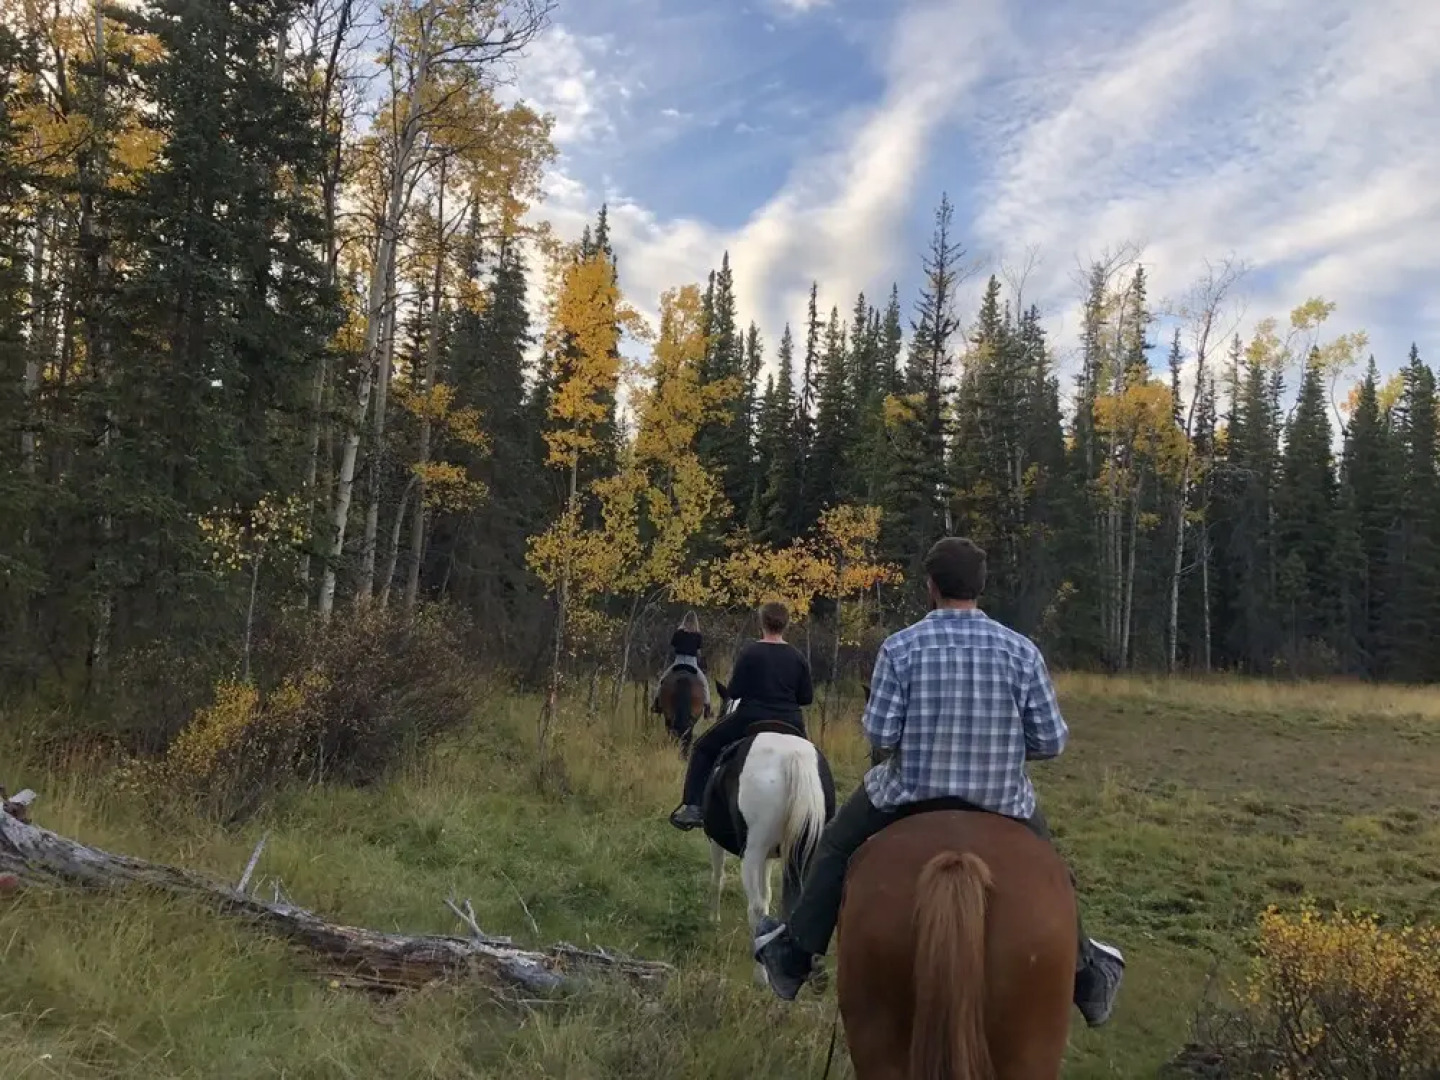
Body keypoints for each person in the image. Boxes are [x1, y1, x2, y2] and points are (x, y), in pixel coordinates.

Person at [750, 537, 1126, 1028]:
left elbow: (881, 733)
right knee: (1049, 868)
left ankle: (795, 956)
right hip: (1002, 801)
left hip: (906, 797)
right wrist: (1003, 746)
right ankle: (1086, 976)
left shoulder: (900, 647)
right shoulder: (1021, 651)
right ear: (981, 586)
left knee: (837, 845)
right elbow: (1051, 741)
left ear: (930, 586)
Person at [668, 600, 814, 831]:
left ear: (762, 622)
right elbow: (806, 698)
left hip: (751, 718)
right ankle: (820, 812)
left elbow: (734, 691)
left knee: (702, 748)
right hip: (791, 721)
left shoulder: (751, 652)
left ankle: (693, 807)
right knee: (814, 761)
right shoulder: (797, 656)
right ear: (785, 625)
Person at [653, 611, 712, 717]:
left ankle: (656, 703)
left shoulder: (678, 633)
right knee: (704, 684)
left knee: (662, 681)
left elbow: (673, 646)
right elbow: (698, 652)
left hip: (678, 662)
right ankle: (707, 708)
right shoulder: (697, 635)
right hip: (692, 664)